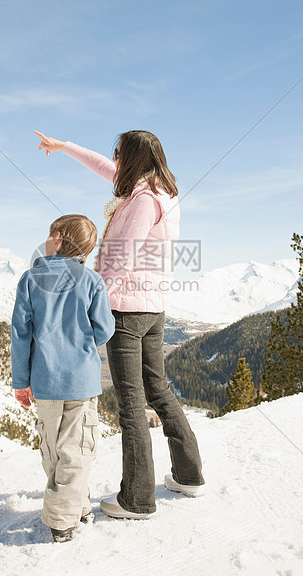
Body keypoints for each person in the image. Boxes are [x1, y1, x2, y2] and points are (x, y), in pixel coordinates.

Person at [34, 130, 205, 520]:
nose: (114, 160)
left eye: (118, 153)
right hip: (152, 306)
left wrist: (94, 299)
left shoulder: (143, 201)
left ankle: (137, 498)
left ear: (134, 157)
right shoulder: (158, 191)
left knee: (131, 404)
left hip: (126, 309)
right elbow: (104, 168)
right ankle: (189, 474)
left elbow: (123, 256)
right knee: (158, 389)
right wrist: (64, 148)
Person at [11, 214, 115, 542]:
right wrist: (80, 340)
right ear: (85, 249)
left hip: (44, 382)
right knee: (78, 448)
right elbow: (104, 329)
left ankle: (76, 504)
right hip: (80, 381)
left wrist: (20, 382)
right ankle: (61, 520)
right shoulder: (90, 280)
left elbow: (20, 336)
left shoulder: (30, 279)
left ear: (57, 237)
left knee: (53, 449)